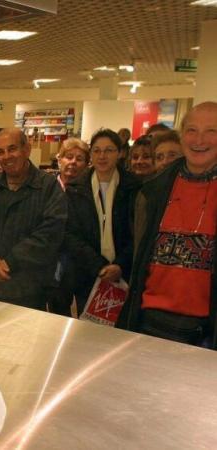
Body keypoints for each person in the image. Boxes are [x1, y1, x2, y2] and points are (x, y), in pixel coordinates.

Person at [117, 101, 216, 349]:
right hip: (150, 321)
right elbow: (140, 260)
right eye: (192, 130)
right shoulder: (152, 192)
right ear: (182, 136)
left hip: (207, 331)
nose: (199, 139)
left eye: (211, 131)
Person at [0, 128, 66, 310]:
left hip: (30, 289)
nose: (6, 156)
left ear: (27, 149)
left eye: (12, 149)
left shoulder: (48, 187)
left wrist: (11, 262)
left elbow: (50, 233)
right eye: (0, 152)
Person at [65, 129, 142, 315]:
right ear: (91, 154)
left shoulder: (135, 187)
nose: (102, 156)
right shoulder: (75, 188)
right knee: (90, 331)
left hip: (125, 273)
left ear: (120, 153)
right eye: (97, 150)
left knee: (122, 331)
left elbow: (138, 233)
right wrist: (100, 266)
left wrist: (119, 265)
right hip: (88, 273)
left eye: (109, 150)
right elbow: (70, 234)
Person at [48, 138, 90, 316]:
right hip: (53, 259)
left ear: (87, 164)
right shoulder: (46, 187)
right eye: (68, 156)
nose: (73, 162)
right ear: (59, 159)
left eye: (79, 158)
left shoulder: (91, 190)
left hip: (83, 260)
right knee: (58, 309)